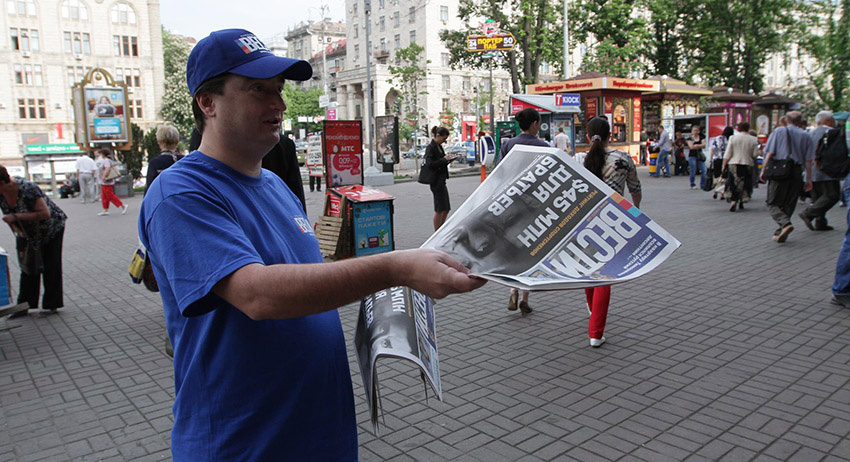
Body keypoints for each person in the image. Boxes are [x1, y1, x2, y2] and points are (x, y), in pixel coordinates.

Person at [138, 28, 484, 461]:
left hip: (320, 435)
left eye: (279, 89)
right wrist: (395, 268)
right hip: (242, 444)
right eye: (258, 90)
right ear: (207, 102)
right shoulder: (181, 192)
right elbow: (257, 295)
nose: (279, 104)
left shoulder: (275, 186)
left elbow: (307, 277)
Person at [582, 117, 642, 347]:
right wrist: (636, 211)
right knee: (604, 274)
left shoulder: (579, 159)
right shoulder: (623, 158)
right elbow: (635, 189)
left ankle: (592, 311)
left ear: (588, 136)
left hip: (582, 223)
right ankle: (596, 333)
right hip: (612, 223)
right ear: (611, 135)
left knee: (588, 270)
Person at [498, 108, 551, 315]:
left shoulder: (508, 145)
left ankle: (513, 289)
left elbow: (500, 174)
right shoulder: (543, 147)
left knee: (515, 249)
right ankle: (525, 298)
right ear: (535, 124)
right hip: (535, 206)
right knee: (532, 251)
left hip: (512, 204)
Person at [0, 165, 67, 319]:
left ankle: (51, 304)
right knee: (28, 266)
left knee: (50, 265)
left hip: (51, 228)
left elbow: (45, 213)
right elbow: (8, 214)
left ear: (2, 183)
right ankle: (24, 306)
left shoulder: (27, 188)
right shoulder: (1, 194)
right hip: (28, 232)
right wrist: (17, 229)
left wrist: (16, 217)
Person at [760, 111, 814, 243]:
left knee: (772, 202)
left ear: (787, 120)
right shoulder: (806, 135)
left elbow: (770, 152)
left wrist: (764, 169)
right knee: (790, 201)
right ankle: (782, 229)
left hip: (780, 169)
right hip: (796, 171)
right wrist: (808, 178)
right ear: (800, 122)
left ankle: (785, 224)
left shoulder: (779, 131)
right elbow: (808, 160)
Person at [799, 111, 841, 231]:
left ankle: (820, 221)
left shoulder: (809, 133)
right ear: (828, 121)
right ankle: (808, 213)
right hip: (826, 170)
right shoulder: (832, 132)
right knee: (832, 195)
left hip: (810, 170)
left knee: (817, 197)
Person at [423, 126, 456, 231]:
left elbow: (441, 161)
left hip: (441, 179)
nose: (444, 141)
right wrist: (444, 159)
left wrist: (448, 160)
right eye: (444, 138)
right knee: (439, 209)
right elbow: (430, 164)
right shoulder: (431, 147)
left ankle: (441, 229)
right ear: (438, 135)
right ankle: (437, 231)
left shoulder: (439, 146)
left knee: (446, 208)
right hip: (435, 180)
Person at [722, 122, 760, 212]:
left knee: (733, 182)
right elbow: (755, 154)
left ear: (738, 128)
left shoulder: (733, 138)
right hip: (747, 163)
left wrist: (724, 165)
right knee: (744, 182)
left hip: (734, 163)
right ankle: (742, 199)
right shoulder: (753, 139)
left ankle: (733, 200)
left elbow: (728, 153)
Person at [145, 125, 184, 195]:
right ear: (177, 142)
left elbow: (150, 189)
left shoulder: (154, 163)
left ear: (159, 142)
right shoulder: (184, 160)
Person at [95, 147, 128, 216]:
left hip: (107, 181)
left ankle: (122, 205)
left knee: (109, 195)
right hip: (105, 181)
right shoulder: (107, 160)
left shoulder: (106, 161)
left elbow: (107, 169)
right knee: (104, 196)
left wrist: (104, 177)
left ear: (103, 154)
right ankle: (105, 209)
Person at [686, 125, 707, 190]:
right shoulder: (689, 139)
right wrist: (699, 145)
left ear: (699, 131)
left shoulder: (702, 137)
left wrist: (696, 145)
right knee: (693, 170)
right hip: (692, 156)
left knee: (704, 170)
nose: (695, 132)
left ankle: (703, 184)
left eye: (696, 130)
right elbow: (691, 147)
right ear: (692, 131)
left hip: (699, 156)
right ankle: (692, 184)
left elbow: (704, 145)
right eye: (694, 130)